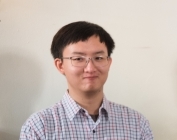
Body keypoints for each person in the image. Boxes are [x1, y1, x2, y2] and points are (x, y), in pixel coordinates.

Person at [20, 21, 154, 139]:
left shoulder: (137, 124)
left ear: (108, 62)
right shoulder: (38, 127)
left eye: (99, 58)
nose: (90, 68)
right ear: (60, 65)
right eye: (78, 59)